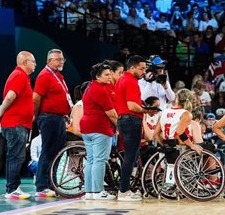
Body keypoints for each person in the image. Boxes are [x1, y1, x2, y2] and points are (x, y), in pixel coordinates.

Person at [0, 51, 37, 200]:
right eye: (33, 61)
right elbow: (10, 96)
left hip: (19, 123)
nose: (35, 64)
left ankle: (14, 187)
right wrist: (1, 110)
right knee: (15, 156)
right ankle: (12, 189)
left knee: (17, 156)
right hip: (15, 124)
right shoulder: (19, 75)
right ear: (25, 62)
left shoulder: (21, 76)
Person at [33, 49, 72, 197]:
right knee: (48, 152)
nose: (61, 62)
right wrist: (35, 116)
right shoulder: (44, 76)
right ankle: (42, 186)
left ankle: (51, 184)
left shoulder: (57, 76)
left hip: (59, 118)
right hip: (49, 118)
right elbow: (36, 98)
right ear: (49, 61)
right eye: (58, 59)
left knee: (56, 153)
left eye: (62, 59)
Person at [80, 63, 118, 200]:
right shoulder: (100, 90)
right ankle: (98, 191)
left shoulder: (89, 87)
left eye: (110, 74)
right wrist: (120, 127)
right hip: (99, 127)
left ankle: (89, 192)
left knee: (91, 159)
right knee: (99, 160)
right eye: (106, 75)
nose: (109, 77)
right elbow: (112, 113)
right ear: (97, 76)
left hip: (86, 127)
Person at [115, 55, 147, 201]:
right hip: (131, 120)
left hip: (124, 120)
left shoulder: (121, 79)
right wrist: (147, 110)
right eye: (141, 69)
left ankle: (124, 189)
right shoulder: (131, 81)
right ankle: (124, 190)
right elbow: (132, 106)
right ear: (132, 67)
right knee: (130, 157)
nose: (144, 72)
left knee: (129, 157)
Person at [154, 88, 204, 154]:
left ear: (177, 98)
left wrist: (164, 146)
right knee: (209, 147)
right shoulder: (186, 114)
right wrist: (192, 146)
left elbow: (156, 134)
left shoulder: (165, 112)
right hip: (182, 151)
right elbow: (179, 131)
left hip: (167, 153)